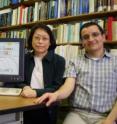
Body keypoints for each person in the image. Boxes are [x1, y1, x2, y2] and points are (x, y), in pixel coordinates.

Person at [35, 22, 117, 124]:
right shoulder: (74, 61)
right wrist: (55, 95)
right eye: (86, 37)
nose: (91, 39)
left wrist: (109, 120)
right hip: (78, 114)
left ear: (103, 37)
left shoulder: (115, 62)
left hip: (105, 116)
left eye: (95, 34)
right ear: (82, 42)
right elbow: (68, 87)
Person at [19, 24, 65, 124]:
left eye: (45, 38)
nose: (40, 42)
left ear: (50, 42)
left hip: (47, 105)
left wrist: (35, 92)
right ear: (31, 40)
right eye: (37, 38)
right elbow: (18, 80)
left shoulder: (59, 61)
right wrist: (25, 87)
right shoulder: (23, 58)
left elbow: (57, 87)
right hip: (24, 103)